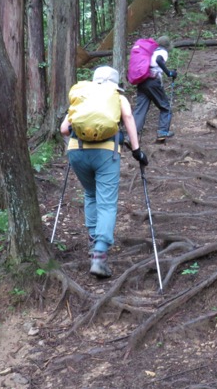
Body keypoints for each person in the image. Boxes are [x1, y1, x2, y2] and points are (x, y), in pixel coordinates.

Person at [60, 66, 149, 278]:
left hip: (77, 151)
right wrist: (137, 151)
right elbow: (128, 118)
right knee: (107, 203)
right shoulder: (117, 96)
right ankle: (99, 255)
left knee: (90, 194)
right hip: (106, 154)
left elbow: (64, 129)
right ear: (115, 83)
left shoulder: (82, 96)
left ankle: (93, 240)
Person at [133, 35, 177, 142]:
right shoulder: (162, 52)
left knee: (140, 110)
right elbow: (158, 60)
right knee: (165, 107)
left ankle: (131, 136)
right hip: (153, 81)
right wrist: (169, 73)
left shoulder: (150, 51)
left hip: (142, 80)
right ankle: (162, 132)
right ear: (167, 46)